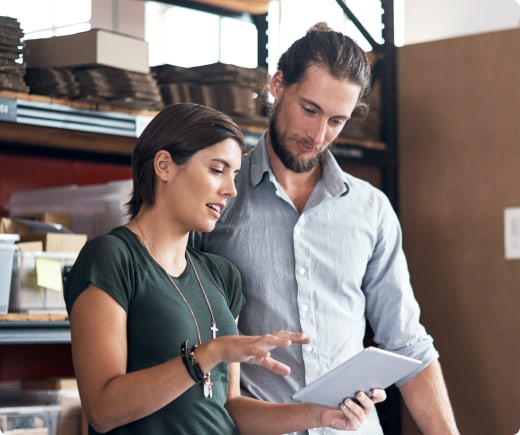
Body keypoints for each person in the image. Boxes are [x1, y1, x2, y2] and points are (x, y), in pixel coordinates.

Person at [193, 23, 461, 435]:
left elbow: (408, 344)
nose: (317, 136)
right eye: (310, 110)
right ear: (278, 84)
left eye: (337, 120)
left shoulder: (371, 209)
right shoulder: (220, 194)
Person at [63, 102, 386, 435]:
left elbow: (231, 408)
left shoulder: (221, 275)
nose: (231, 190)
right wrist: (209, 353)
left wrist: (319, 415)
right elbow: (102, 409)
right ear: (164, 166)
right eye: (217, 170)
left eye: (234, 175)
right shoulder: (111, 258)